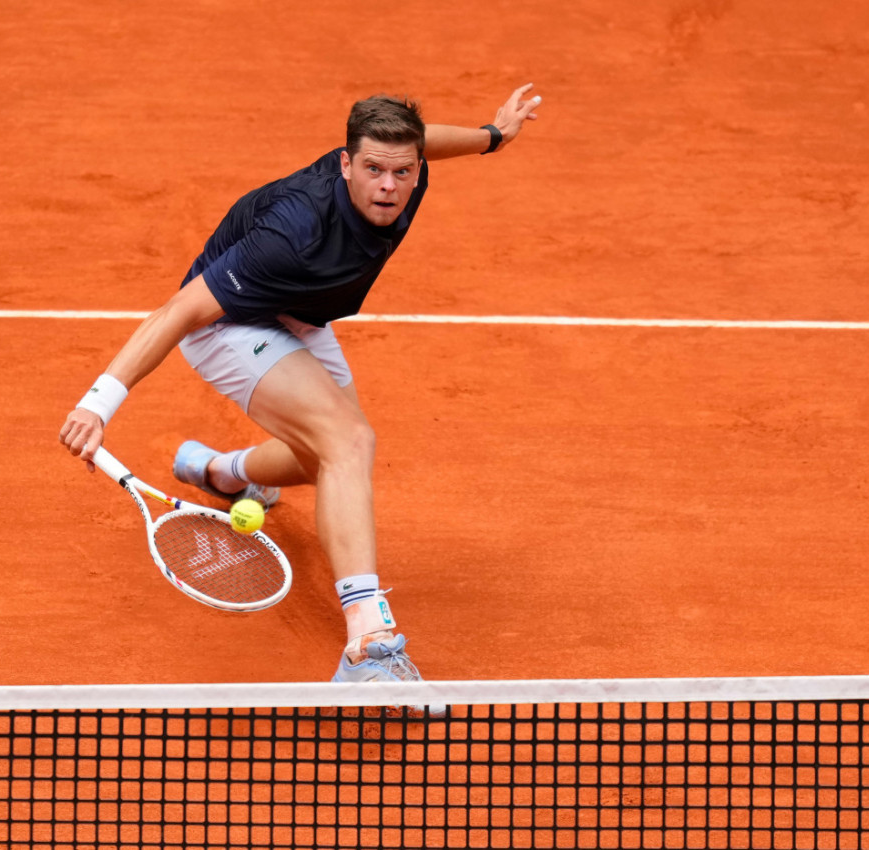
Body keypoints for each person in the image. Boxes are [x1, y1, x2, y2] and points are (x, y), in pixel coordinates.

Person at [59, 84, 543, 690]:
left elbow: (425, 143)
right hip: (228, 324)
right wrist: (98, 403)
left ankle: (224, 472)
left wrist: (493, 137)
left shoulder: (406, 171)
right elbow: (179, 312)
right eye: (373, 170)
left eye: (402, 172)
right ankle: (367, 644)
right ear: (345, 165)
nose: (388, 187)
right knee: (349, 442)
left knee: (325, 463)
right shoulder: (292, 230)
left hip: (298, 313)